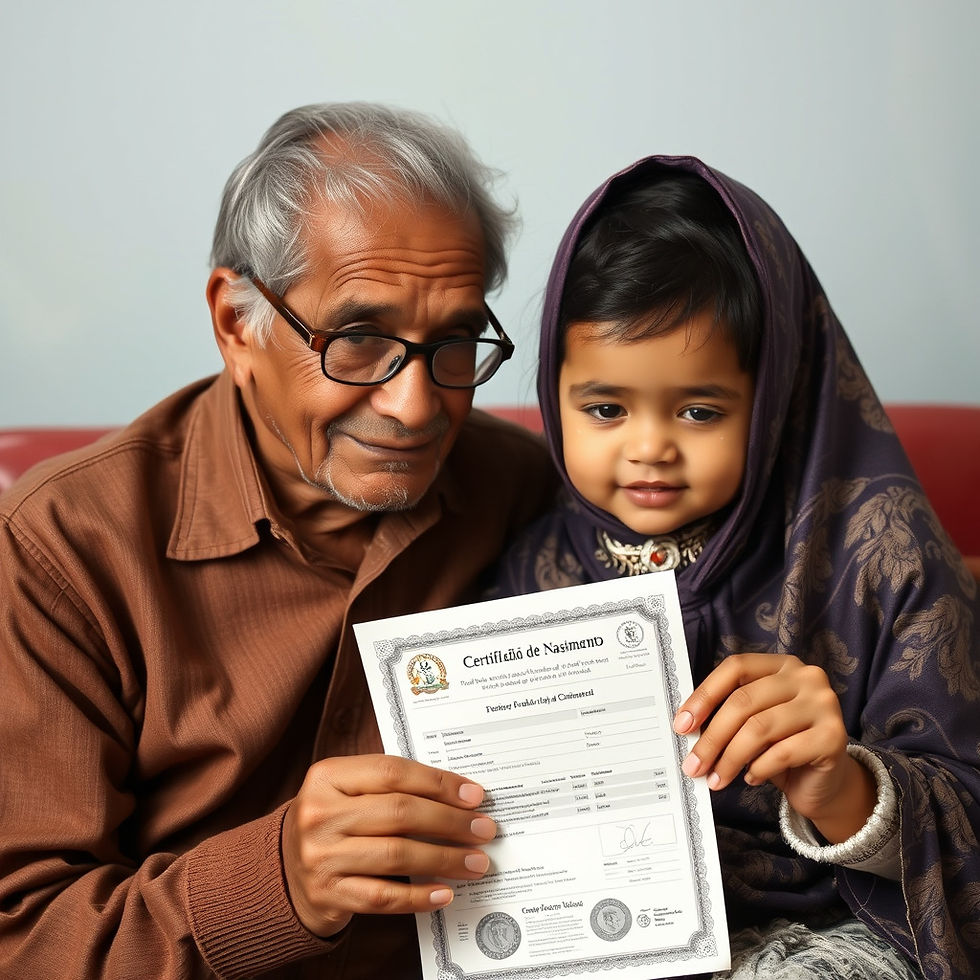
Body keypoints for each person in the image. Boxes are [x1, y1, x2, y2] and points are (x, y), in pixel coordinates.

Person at [0, 102, 558, 978]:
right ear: (236, 323)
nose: (416, 407)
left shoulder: (528, 487)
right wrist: (283, 882)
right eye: (361, 340)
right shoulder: (63, 548)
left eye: (454, 343)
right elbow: (23, 938)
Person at [490, 156, 980, 979]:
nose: (649, 447)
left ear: (778, 397)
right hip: (598, 936)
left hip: (831, 933)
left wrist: (844, 787)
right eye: (605, 408)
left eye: (700, 410)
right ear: (554, 392)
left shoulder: (882, 556)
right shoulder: (532, 567)